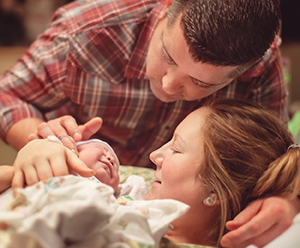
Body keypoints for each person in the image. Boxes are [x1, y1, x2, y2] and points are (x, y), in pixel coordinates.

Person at [0, 0, 293, 246]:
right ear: (166, 10)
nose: (167, 85)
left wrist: (288, 197)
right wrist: (43, 146)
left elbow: (274, 157)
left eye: (199, 82)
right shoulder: (87, 30)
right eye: (167, 56)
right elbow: (7, 96)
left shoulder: (261, 67)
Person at [3, 99, 300, 247]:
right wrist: (39, 152)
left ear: (215, 192)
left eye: (177, 149)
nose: (154, 155)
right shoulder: (135, 187)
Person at [0, 135, 120, 195]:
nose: (111, 159)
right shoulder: (54, 153)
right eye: (102, 149)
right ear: (73, 150)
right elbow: (52, 143)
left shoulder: (106, 197)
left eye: (117, 169)